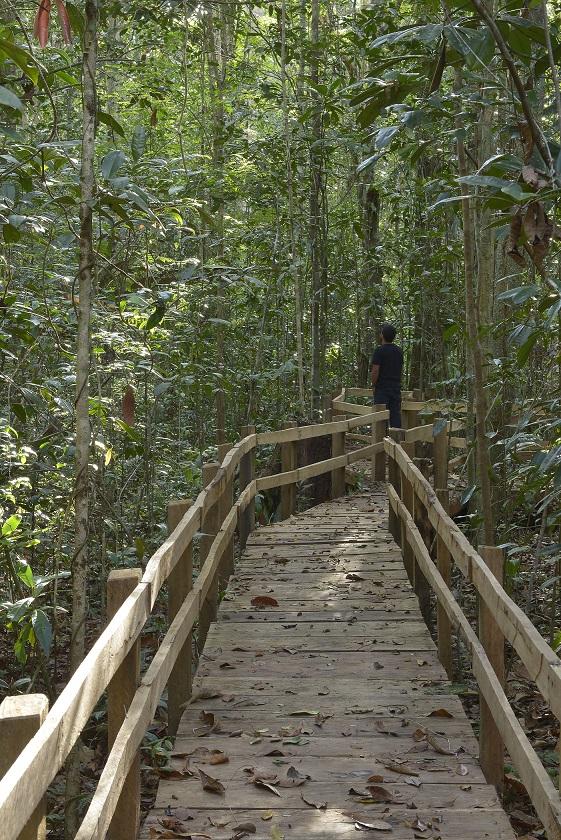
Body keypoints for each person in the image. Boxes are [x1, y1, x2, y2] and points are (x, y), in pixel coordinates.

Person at [371, 323, 403, 428]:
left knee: (381, 416)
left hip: (382, 388)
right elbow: (400, 369)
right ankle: (397, 440)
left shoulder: (379, 351)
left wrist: (373, 385)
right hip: (395, 387)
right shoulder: (399, 351)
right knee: (395, 415)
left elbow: (376, 370)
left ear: (382, 335)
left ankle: (381, 441)